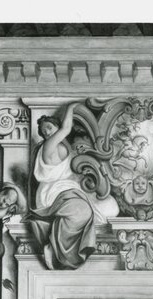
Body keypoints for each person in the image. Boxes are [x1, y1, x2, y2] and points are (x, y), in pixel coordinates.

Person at [29, 103, 119, 269]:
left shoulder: (64, 147)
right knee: (83, 212)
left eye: (48, 127)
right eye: (43, 131)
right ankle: (54, 247)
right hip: (53, 192)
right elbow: (66, 129)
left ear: (55, 126)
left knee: (110, 206)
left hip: (69, 188)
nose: (46, 132)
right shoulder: (49, 145)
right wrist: (71, 108)